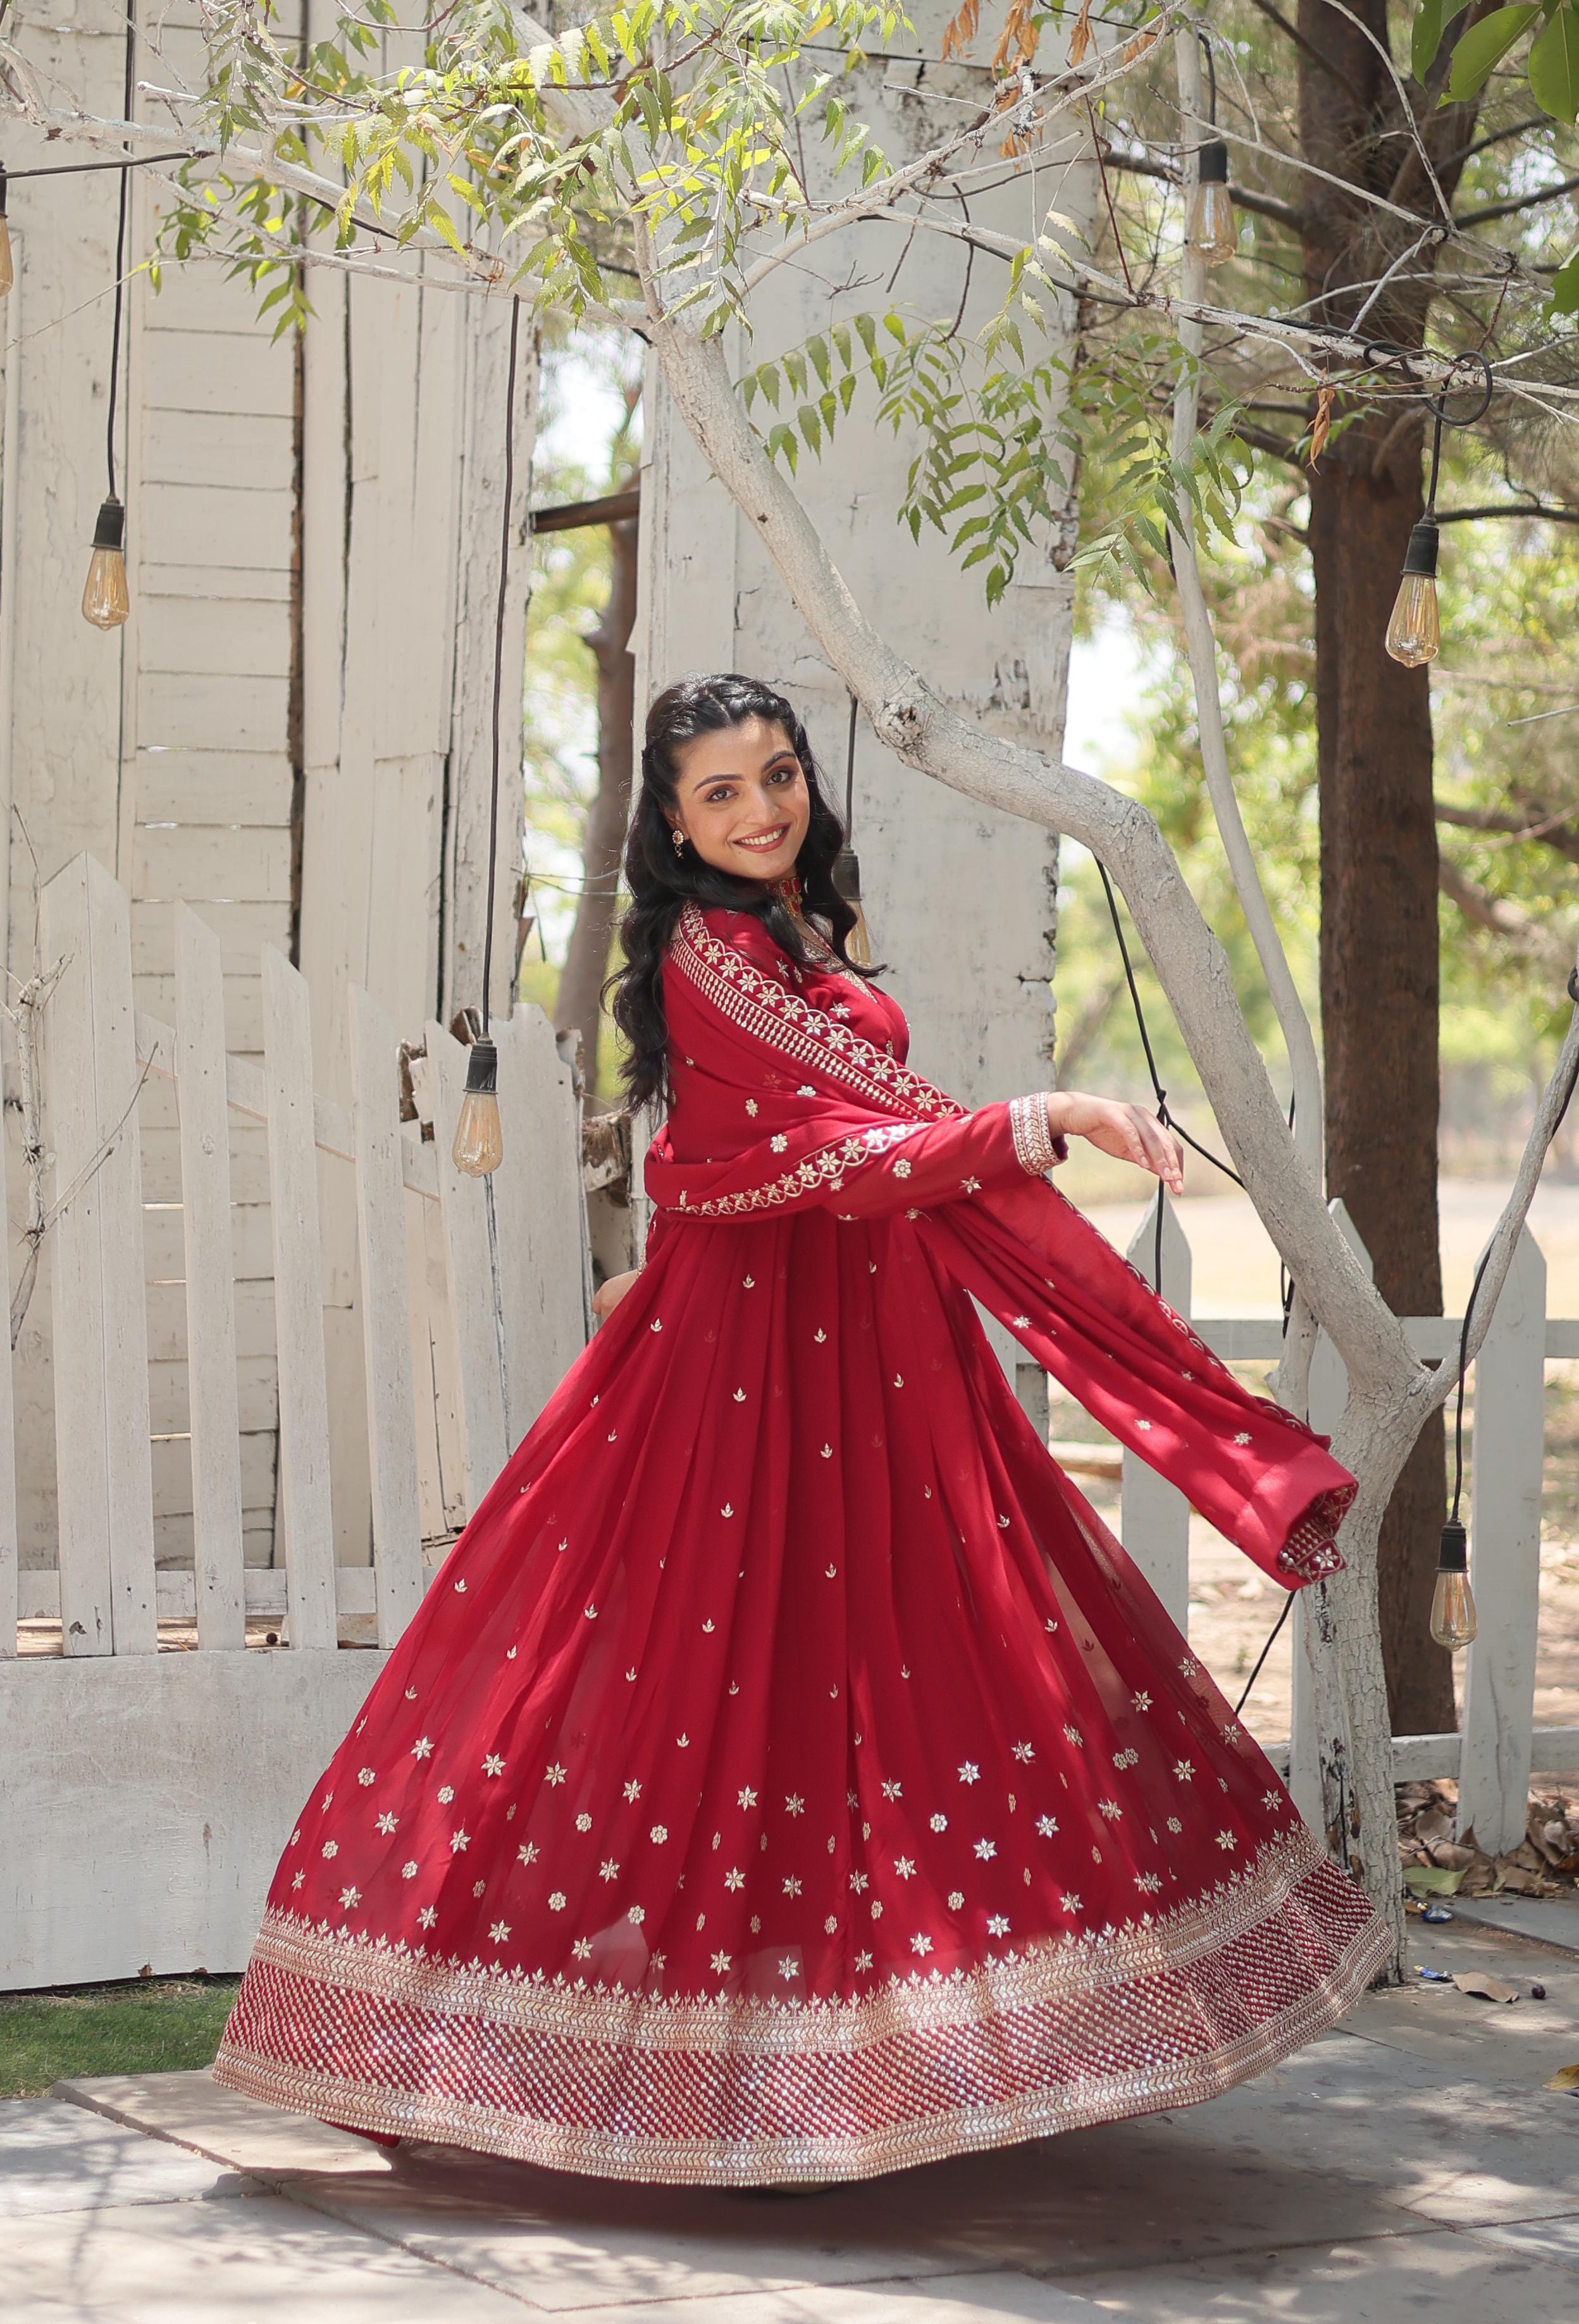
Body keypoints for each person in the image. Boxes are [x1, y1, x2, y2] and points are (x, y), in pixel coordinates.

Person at [214, 673, 1389, 2186]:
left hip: (872, 1348)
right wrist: (1052, 1118)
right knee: (682, 1664)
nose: (764, 810)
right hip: (748, 1363)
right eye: (722, 793)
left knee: (901, 1657)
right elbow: (853, 1148)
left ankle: (933, 2051)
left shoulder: (794, 930)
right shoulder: (710, 955)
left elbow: (867, 1139)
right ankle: (496, 2038)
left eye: (778, 776)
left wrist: (1000, 1133)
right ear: (672, 822)